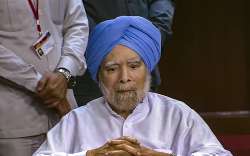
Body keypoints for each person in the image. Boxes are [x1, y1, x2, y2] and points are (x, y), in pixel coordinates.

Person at [33, 16, 232, 156]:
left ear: (148, 69)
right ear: (99, 75)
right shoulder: (77, 120)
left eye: (134, 66)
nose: (124, 78)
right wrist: (90, 155)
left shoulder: (177, 114)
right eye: (112, 69)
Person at [0, 0, 88, 155]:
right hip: (15, 122)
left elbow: (77, 25)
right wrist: (41, 84)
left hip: (65, 112)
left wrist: (64, 72)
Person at [74, 0, 175, 105]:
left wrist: (154, 32)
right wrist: (103, 41)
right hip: (95, 74)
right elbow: (74, 14)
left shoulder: (183, 116)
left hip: (144, 66)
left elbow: (161, 3)